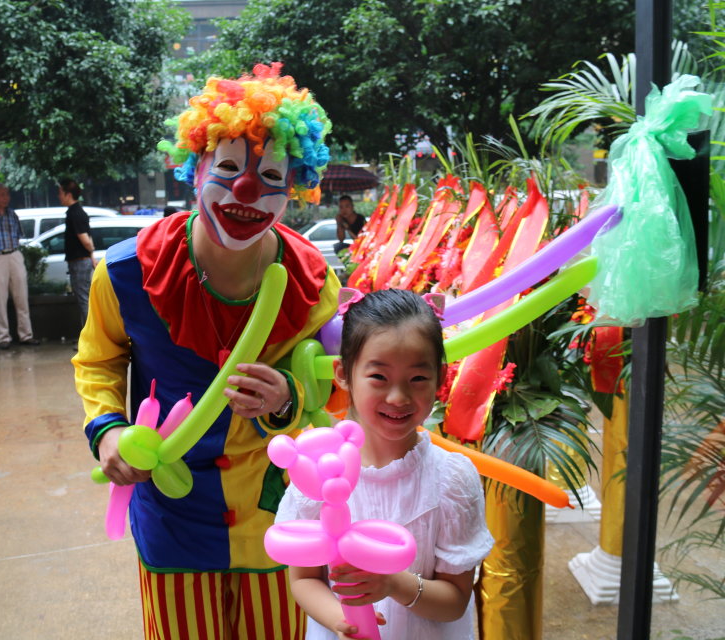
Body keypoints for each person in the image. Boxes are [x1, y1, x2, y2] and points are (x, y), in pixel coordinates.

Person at [72, 63, 339, 639]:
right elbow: (97, 359)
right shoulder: (126, 273)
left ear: (293, 188)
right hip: (173, 510)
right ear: (195, 170)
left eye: (271, 175)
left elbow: (336, 384)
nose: (246, 190)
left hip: (277, 511)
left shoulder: (313, 281)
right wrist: (109, 429)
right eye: (228, 168)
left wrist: (289, 398)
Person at [275, 289, 494, 640]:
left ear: (440, 377)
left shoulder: (451, 479)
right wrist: (342, 621)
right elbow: (303, 579)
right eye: (379, 377)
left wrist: (393, 583)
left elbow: (455, 599)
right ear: (343, 373)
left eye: (417, 378)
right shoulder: (318, 472)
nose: (398, 397)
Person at [0, 182, 40, 350]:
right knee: (0, 299)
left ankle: (26, 335)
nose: (6, 198)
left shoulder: (12, 214)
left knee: (21, 296)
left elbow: (18, 235)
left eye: (7, 194)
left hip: (14, 254)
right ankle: (3, 337)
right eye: (2, 194)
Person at [59, 178, 94, 325]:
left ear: (68, 195)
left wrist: (91, 252)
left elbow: (85, 240)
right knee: (84, 298)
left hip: (80, 262)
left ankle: (89, 333)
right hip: (81, 261)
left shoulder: (75, 213)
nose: (59, 196)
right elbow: (88, 238)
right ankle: (88, 332)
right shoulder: (78, 211)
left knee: (83, 299)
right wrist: (92, 256)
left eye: (60, 193)